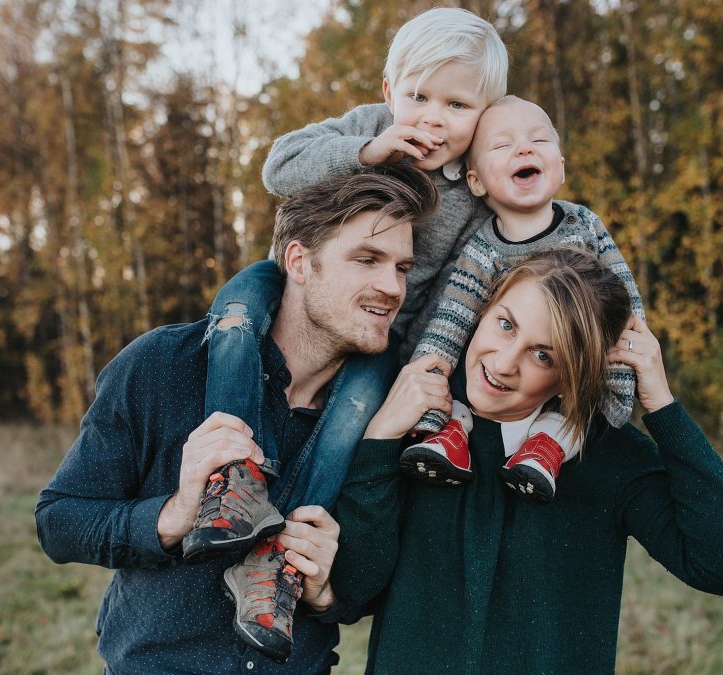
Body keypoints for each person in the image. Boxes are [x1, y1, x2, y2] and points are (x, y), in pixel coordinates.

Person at [35, 165, 438, 673]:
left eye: (402, 267)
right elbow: (59, 521)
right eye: (367, 259)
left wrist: (326, 589)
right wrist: (174, 515)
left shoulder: (391, 415)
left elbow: (368, 595)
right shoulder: (165, 364)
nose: (392, 286)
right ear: (299, 261)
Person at [186, 3, 508, 607]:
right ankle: (232, 479)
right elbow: (279, 167)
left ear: (484, 113)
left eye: (458, 106)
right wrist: (368, 148)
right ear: (390, 92)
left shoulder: (476, 182)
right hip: (288, 284)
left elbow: (477, 275)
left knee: (354, 410)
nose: (433, 120)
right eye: (418, 98)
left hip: (386, 334)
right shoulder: (369, 125)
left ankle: (273, 559)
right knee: (232, 324)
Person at [330, 249, 723, 674]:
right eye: (505, 325)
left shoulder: (606, 454)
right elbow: (353, 590)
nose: (503, 364)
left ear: (572, 373)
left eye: (544, 355)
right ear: (481, 310)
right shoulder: (418, 428)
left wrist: (663, 408)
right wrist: (380, 440)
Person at [401, 95, 644, 502]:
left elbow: (626, 308)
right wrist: (425, 395)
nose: (525, 149)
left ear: (561, 168)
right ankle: (449, 439)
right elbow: (449, 324)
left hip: (568, 373)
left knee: (572, 414)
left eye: (539, 141)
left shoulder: (584, 224)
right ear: (476, 181)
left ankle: (544, 452)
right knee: (460, 379)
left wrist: (622, 381)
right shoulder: (482, 251)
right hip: (495, 380)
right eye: (503, 145)